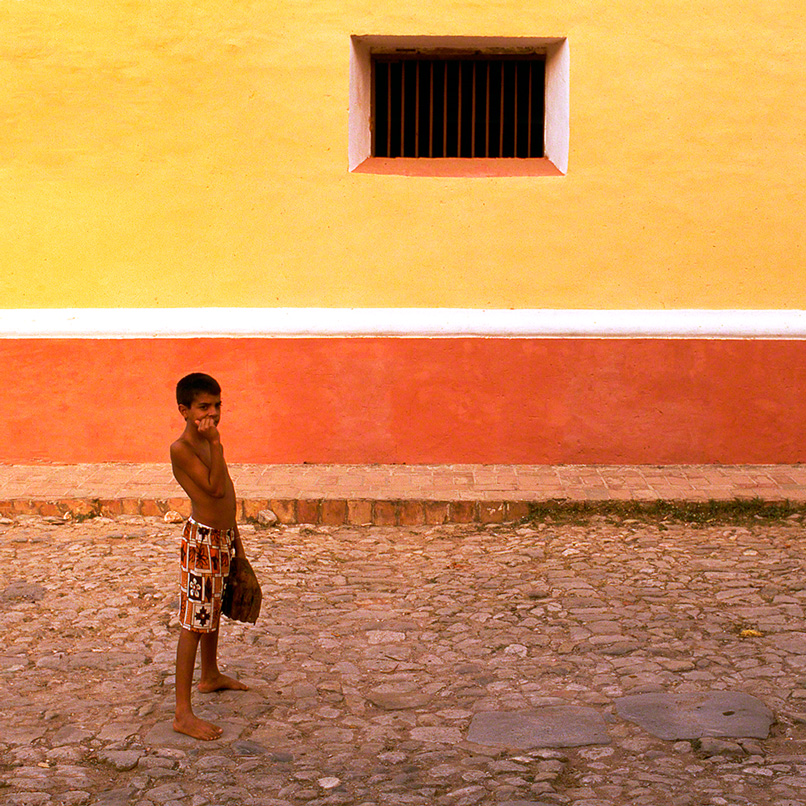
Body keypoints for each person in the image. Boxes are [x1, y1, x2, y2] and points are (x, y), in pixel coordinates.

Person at [170, 372, 249, 740]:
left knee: (213, 609)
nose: (213, 414)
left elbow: (227, 496)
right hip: (202, 542)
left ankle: (210, 674)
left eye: (217, 406)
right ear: (184, 410)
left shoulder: (209, 441)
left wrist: (237, 542)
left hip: (222, 538)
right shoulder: (183, 449)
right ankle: (182, 713)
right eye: (204, 407)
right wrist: (216, 443)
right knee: (193, 623)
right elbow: (215, 489)